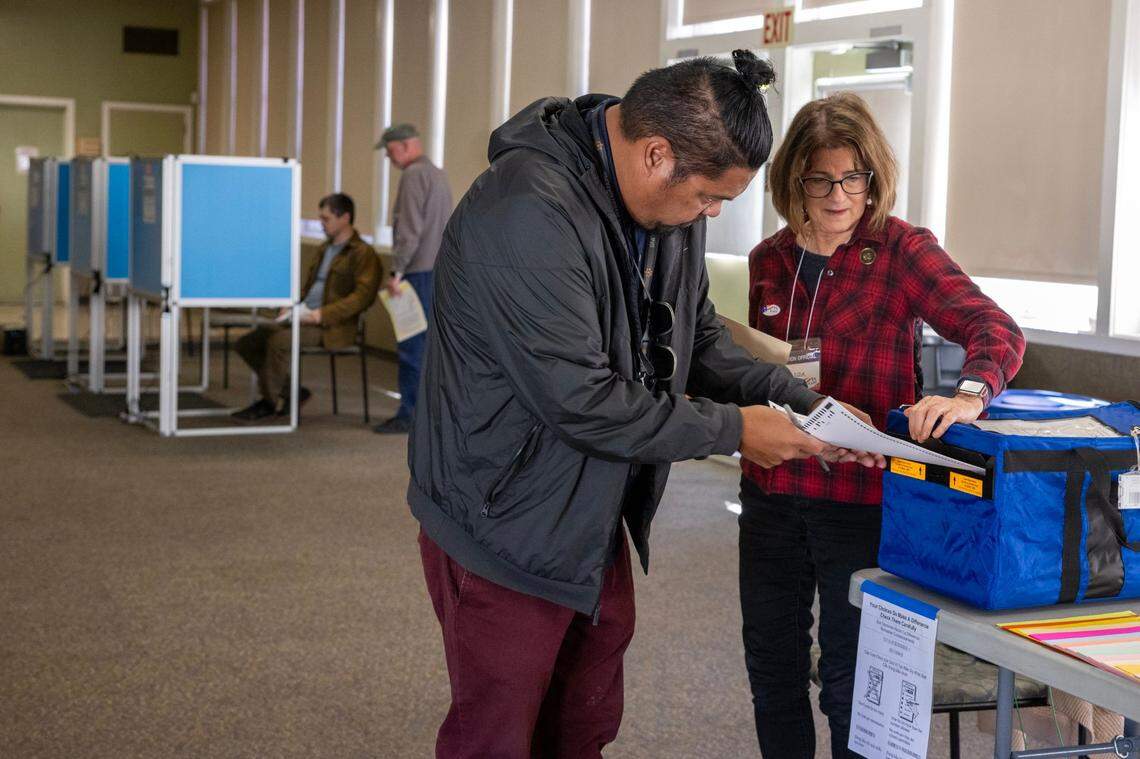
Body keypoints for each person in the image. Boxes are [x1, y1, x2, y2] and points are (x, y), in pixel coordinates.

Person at [407, 52, 885, 758]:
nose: (714, 214)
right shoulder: (527, 212)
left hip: (589, 511)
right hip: (499, 519)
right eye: (708, 198)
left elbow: (696, 340)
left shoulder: (667, 208)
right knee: (497, 737)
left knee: (582, 723)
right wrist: (735, 430)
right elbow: (583, 400)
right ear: (657, 154)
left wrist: (801, 401)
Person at [739, 91, 1026, 758]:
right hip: (773, 489)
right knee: (772, 668)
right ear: (795, 181)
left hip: (859, 501)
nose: (839, 195)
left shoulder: (901, 251)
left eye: (853, 177)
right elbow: (756, 368)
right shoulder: (768, 261)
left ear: (872, 176)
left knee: (850, 679)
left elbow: (995, 329)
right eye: (821, 178)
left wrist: (970, 394)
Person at [232, 193, 381, 420]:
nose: (321, 224)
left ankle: (269, 402)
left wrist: (322, 315)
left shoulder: (363, 254)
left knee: (279, 342)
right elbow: (309, 288)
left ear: (345, 218)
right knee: (249, 342)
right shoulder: (324, 249)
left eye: (326, 218)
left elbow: (361, 297)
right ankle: (293, 393)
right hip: (304, 316)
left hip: (332, 326)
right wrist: (292, 306)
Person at [372, 123, 453, 434]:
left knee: (411, 346)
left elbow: (409, 230)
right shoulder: (438, 174)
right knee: (431, 347)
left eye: (390, 151)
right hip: (438, 270)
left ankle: (410, 414)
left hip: (417, 273)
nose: (389, 159)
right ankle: (430, 415)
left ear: (405, 146)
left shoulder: (413, 175)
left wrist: (397, 272)